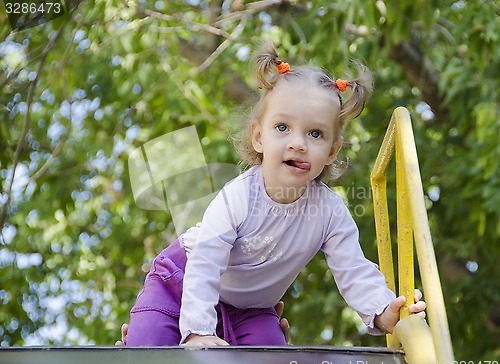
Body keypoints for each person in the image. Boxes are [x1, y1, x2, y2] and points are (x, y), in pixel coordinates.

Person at [124, 43, 426, 347]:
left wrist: (384, 310)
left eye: (315, 133)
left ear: (333, 151)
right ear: (259, 137)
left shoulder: (329, 213)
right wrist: (197, 331)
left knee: (272, 360)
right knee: (148, 346)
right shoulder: (239, 197)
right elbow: (205, 262)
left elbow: (354, 269)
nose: (298, 143)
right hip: (180, 280)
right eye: (282, 127)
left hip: (249, 309)